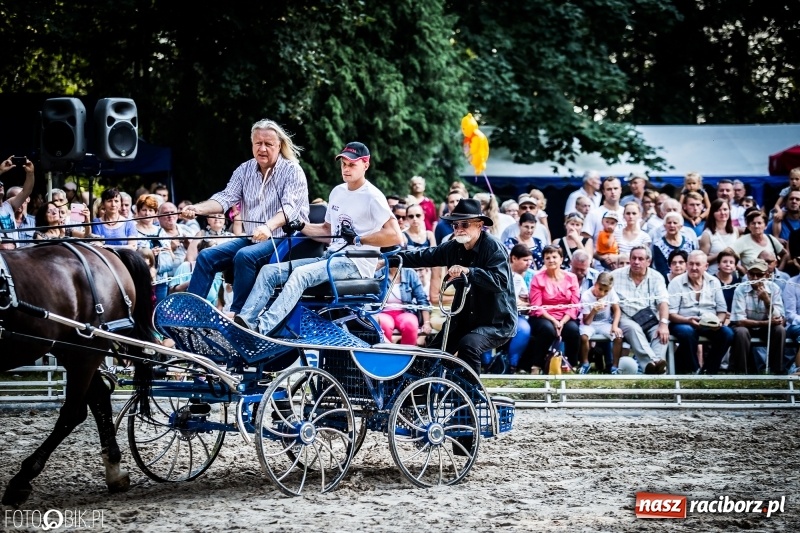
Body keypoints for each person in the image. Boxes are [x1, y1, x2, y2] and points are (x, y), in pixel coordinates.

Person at [236, 141, 403, 334]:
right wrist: (300, 224)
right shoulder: (337, 192)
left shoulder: (373, 196)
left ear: (366, 164)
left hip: (355, 264)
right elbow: (326, 232)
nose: (346, 169)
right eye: (343, 164)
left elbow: (394, 236)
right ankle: (245, 323)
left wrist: (359, 239)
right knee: (269, 271)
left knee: (301, 275)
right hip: (330, 258)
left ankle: (263, 330)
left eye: (352, 164)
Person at [182, 119, 310, 316]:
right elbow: (225, 198)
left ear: (279, 146)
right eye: (258, 143)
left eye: (269, 144)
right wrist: (197, 209)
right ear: (252, 145)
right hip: (252, 238)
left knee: (245, 256)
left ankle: (238, 315)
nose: (263, 148)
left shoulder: (292, 170)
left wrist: (268, 227)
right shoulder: (245, 170)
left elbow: (289, 209)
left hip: (286, 240)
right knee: (207, 256)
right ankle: (190, 315)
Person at [388, 198, 516, 374]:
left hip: (495, 321)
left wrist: (469, 272)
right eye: (455, 225)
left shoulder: (493, 247)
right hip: (463, 319)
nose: (459, 229)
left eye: (465, 224)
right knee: (431, 356)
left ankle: (472, 396)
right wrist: (388, 260)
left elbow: (500, 282)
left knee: (468, 345)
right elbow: (423, 255)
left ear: (479, 225)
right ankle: (422, 394)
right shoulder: (453, 247)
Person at [667, 250, 733, 374]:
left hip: (709, 323)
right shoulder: (676, 283)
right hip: (683, 322)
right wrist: (687, 320)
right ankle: (695, 370)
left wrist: (718, 321)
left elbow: (722, 310)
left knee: (727, 334)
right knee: (687, 332)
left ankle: (709, 370)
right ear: (686, 265)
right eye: (691, 264)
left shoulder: (714, 281)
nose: (694, 268)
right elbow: (670, 314)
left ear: (706, 266)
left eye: (698, 264)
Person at [612, 245, 670, 374]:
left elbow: (663, 302)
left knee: (661, 332)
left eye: (640, 259)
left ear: (648, 262)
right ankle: (655, 364)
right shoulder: (615, 276)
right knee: (633, 329)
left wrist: (663, 324)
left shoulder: (657, 277)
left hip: (649, 317)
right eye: (633, 258)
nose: (636, 262)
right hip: (625, 316)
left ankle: (652, 369)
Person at [525, 245, 581, 372]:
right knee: (547, 330)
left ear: (561, 259)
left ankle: (572, 366)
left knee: (573, 330)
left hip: (565, 317)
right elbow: (536, 306)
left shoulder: (571, 278)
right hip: (543, 316)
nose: (551, 260)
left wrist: (562, 322)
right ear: (544, 260)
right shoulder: (538, 278)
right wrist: (555, 321)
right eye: (547, 257)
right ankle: (536, 366)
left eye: (554, 257)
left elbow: (574, 304)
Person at [730, 259, 786, 374]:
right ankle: (741, 372)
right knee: (741, 332)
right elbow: (739, 321)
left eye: (759, 274)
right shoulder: (740, 289)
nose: (755, 278)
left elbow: (779, 318)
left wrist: (767, 301)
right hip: (748, 326)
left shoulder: (774, 288)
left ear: (766, 275)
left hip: (766, 327)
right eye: (752, 274)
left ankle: (776, 371)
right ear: (747, 274)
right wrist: (766, 323)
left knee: (779, 330)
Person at [578, 271, 623, 375]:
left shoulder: (611, 293)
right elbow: (587, 322)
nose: (602, 293)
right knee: (584, 337)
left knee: (618, 336)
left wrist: (615, 326)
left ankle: (614, 366)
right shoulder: (586, 296)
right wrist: (594, 310)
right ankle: (585, 363)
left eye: (606, 291)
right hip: (590, 323)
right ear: (595, 284)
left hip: (605, 323)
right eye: (600, 289)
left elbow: (617, 310)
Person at [375, 266, 431, 346]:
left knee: (410, 324)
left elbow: (422, 299)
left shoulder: (410, 273)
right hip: (383, 312)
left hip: (405, 312)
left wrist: (426, 322)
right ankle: (387, 355)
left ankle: (407, 356)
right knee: (385, 324)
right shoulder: (378, 274)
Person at [502, 244, 534, 373]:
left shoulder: (519, 279)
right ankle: (488, 364)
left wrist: (521, 304)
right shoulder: (497, 272)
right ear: (514, 258)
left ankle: (512, 365)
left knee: (524, 329)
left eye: (530, 260)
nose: (529, 264)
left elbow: (526, 303)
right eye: (525, 260)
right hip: (492, 315)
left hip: (514, 316)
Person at [732, 210, 785, 274]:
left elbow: (785, 254)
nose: (756, 226)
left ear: (765, 226)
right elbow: (726, 255)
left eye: (759, 223)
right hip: (752, 280)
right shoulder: (742, 241)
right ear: (748, 226)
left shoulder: (770, 238)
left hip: (772, 278)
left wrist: (780, 269)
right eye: (753, 223)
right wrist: (742, 269)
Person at [0, 156, 34, 250]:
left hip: (15, 255)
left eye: (1, 184)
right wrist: (0, 171)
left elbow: (26, 191)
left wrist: (30, 173)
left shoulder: (9, 205)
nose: (0, 186)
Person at [699, 199, 739, 275]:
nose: (722, 213)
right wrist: (721, 254)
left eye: (725, 209)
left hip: (732, 275)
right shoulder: (707, 234)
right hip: (714, 275)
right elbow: (702, 260)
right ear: (713, 213)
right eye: (718, 210)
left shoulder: (735, 231)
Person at [652, 212, 696, 280]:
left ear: (681, 226)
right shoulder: (658, 244)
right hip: (668, 280)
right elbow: (662, 269)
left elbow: (692, 262)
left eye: (675, 223)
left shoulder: (689, 242)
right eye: (669, 223)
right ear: (664, 226)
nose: (672, 225)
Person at [581, 177, 624, 242]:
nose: (613, 192)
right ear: (603, 192)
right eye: (609, 189)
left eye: (615, 188)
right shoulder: (593, 214)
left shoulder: (628, 213)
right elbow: (585, 239)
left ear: (620, 190)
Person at [714, 248, 740, 314]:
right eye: (724, 262)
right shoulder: (711, 280)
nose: (728, 264)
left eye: (731, 262)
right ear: (718, 264)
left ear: (735, 267)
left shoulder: (738, 282)